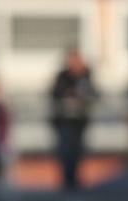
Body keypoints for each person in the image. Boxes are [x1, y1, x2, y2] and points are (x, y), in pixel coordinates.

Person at [51, 47, 97, 189]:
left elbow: (94, 94)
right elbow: (55, 96)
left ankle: (75, 182)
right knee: (66, 154)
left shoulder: (86, 76)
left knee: (78, 153)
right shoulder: (62, 77)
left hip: (80, 123)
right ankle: (67, 183)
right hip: (64, 124)